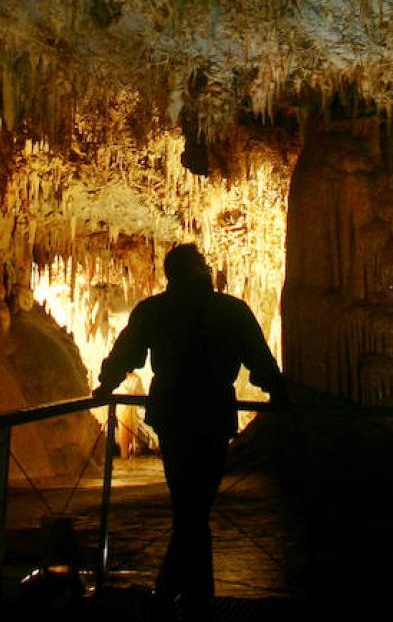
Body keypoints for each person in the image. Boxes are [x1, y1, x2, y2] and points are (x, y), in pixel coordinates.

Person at [95, 243, 286, 619]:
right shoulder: (229, 310)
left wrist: (107, 383)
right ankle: (193, 597)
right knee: (195, 505)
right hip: (213, 410)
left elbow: (127, 352)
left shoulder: (155, 310)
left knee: (188, 503)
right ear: (199, 270)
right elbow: (257, 357)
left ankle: (174, 592)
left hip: (173, 411)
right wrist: (277, 390)